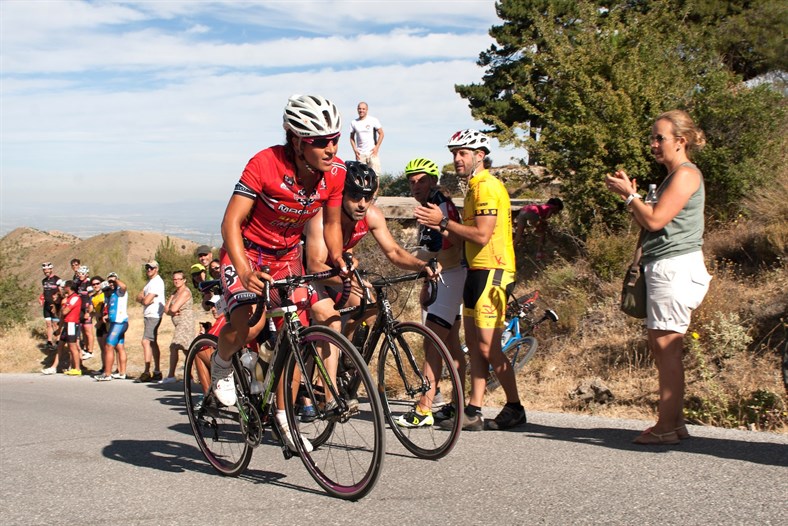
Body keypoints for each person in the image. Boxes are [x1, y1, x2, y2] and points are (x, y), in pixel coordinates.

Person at [211, 94, 348, 452]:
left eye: (334, 138)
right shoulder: (265, 163)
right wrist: (242, 269)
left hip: (287, 258)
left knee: (294, 341)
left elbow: (332, 224)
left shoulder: (335, 174)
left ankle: (284, 418)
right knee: (251, 324)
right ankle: (222, 362)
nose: (331, 148)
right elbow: (231, 222)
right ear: (298, 141)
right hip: (247, 252)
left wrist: (336, 255)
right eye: (320, 142)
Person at [605, 109, 712, 445]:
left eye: (659, 138)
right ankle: (674, 424)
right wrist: (632, 198)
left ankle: (666, 427)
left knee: (667, 347)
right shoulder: (672, 176)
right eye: (652, 137)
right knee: (662, 346)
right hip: (667, 267)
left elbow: (654, 221)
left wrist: (630, 195)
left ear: (680, 141)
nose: (652, 144)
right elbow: (651, 221)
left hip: (676, 268)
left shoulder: (685, 174)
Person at [305, 160, 440, 414]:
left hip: (339, 271)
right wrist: (353, 282)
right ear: (341, 193)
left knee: (372, 305)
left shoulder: (371, 215)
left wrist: (421, 266)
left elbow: (393, 251)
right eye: (355, 196)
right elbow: (314, 265)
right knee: (332, 319)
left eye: (367, 197)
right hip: (309, 273)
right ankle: (330, 393)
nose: (361, 203)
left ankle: (346, 354)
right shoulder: (321, 216)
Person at [414, 129, 526, 431]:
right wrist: (440, 230)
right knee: (476, 345)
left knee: (489, 346)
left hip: (494, 269)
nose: (456, 159)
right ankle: (474, 409)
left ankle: (515, 406)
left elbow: (481, 234)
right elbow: (466, 237)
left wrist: (444, 222)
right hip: (476, 269)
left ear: (480, 155)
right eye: (454, 153)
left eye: (463, 153)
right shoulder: (474, 188)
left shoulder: (487, 187)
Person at [396, 157, 466, 428]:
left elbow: (443, 246)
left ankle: (425, 407)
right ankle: (457, 404)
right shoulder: (432, 203)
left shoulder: (437, 206)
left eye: (421, 180)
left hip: (450, 276)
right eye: (411, 181)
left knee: (432, 342)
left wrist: (404, 259)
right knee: (450, 344)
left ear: (433, 180)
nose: (415, 185)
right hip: (447, 276)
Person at [161, 270, 195, 384]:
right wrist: (171, 312)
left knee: (175, 346)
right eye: (174, 279)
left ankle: (171, 375)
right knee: (186, 349)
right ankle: (190, 377)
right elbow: (166, 309)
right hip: (178, 323)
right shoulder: (174, 293)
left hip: (185, 323)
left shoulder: (185, 292)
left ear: (184, 280)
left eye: (179, 279)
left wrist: (172, 311)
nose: (176, 281)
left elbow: (173, 309)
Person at [95, 273, 129, 381]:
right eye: (109, 282)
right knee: (119, 347)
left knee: (108, 346)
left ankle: (107, 374)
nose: (111, 284)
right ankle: (122, 372)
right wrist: (107, 316)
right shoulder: (112, 294)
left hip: (119, 323)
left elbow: (124, 286)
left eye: (113, 282)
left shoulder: (120, 291)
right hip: (116, 322)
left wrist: (115, 280)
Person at [136, 260, 165, 382]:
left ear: (156, 269)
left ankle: (147, 371)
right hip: (149, 314)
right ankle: (157, 371)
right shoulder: (150, 282)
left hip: (153, 314)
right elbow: (139, 296)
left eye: (151, 268)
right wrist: (144, 299)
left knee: (146, 341)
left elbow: (146, 300)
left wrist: (144, 299)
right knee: (152, 342)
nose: (149, 270)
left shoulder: (156, 282)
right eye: (147, 268)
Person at [349, 102, 384, 174]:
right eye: (359, 109)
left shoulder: (373, 120)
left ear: (367, 110)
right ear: (357, 110)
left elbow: (381, 133)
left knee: (375, 174)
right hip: (360, 154)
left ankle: (377, 186)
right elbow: (351, 138)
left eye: (363, 109)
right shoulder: (354, 122)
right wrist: (355, 150)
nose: (361, 110)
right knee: (361, 175)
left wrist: (376, 147)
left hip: (372, 152)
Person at [58, 280, 83, 376]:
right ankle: (74, 367)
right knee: (70, 346)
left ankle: (77, 368)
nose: (64, 288)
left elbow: (64, 311)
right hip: (68, 323)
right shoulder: (69, 298)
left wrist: (63, 306)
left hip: (72, 323)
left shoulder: (75, 298)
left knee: (73, 346)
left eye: (65, 287)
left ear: (69, 287)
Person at [74, 265, 95, 361]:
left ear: (86, 274)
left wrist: (88, 311)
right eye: (79, 274)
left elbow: (91, 297)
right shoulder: (79, 283)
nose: (80, 275)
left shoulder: (89, 283)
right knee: (83, 330)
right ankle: (86, 349)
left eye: (82, 274)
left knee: (88, 330)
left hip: (87, 309)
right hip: (80, 310)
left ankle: (90, 351)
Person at [89, 275, 108, 371]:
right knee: (102, 348)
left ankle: (108, 368)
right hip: (98, 324)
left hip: (105, 323)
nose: (96, 286)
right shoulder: (92, 297)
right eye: (93, 284)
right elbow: (91, 311)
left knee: (107, 347)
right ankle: (104, 367)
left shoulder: (105, 294)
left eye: (97, 283)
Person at [40, 262, 61, 350]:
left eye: (48, 269)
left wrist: (56, 302)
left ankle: (58, 341)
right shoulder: (44, 280)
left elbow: (61, 292)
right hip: (46, 305)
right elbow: (45, 291)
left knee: (55, 324)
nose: (46, 271)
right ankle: (49, 342)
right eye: (44, 270)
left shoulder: (57, 279)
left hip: (55, 305)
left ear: (51, 269)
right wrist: (41, 297)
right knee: (48, 324)